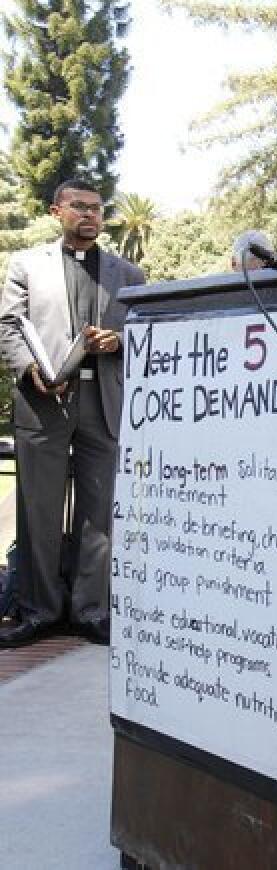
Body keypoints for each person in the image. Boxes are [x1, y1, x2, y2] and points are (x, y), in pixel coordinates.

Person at [0, 178, 145, 648]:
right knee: (37, 511)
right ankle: (38, 611)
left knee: (98, 513)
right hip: (43, 401)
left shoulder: (130, 274)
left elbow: (149, 332)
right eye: (79, 207)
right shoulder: (25, 265)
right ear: (55, 211)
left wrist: (119, 341)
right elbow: (7, 326)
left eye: (97, 209)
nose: (90, 216)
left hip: (103, 402)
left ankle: (91, 611)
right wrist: (27, 368)